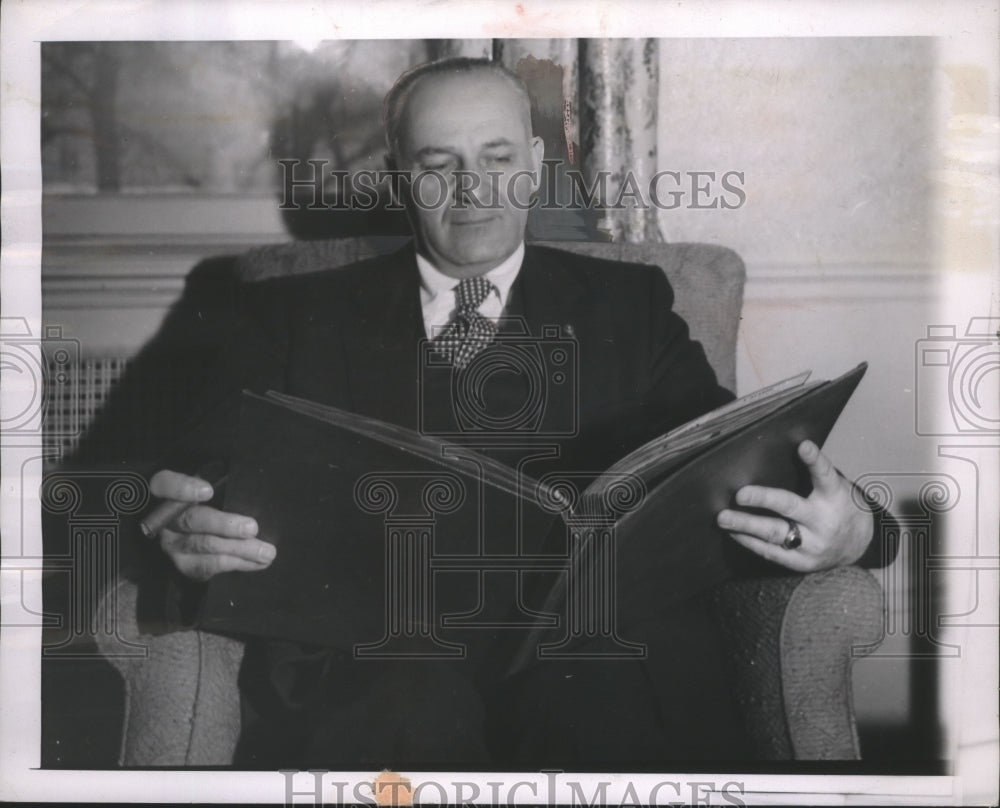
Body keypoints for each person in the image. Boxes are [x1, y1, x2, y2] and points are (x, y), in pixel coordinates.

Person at [142, 58, 890, 768]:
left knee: (600, 696)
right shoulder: (291, 317)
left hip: (594, 660)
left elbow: (736, 458)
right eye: (439, 164)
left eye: (496, 158)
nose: (472, 190)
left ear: (533, 164)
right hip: (375, 664)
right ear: (400, 174)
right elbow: (200, 477)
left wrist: (858, 528)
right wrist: (181, 537)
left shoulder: (629, 308)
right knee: (404, 710)